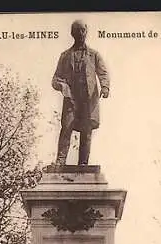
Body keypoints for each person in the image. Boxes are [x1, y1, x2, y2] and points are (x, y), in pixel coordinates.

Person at [52, 20, 110, 166]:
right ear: (73, 33)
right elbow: (55, 78)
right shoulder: (65, 56)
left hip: (88, 99)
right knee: (66, 127)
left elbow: (103, 73)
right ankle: (60, 162)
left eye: (83, 30)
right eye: (78, 31)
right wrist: (63, 87)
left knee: (87, 131)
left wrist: (105, 87)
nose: (81, 33)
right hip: (71, 98)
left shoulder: (94, 55)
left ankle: (83, 164)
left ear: (86, 32)